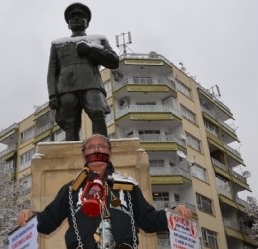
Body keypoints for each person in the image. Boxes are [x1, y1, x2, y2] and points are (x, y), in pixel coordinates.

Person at [18, 134, 192, 249]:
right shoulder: (71, 189)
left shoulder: (128, 185)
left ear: (109, 152)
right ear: (83, 154)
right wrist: (31, 216)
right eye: (91, 147)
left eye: (102, 146)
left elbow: (148, 219)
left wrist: (172, 214)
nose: (97, 149)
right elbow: (49, 220)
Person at [47, 3, 119, 141]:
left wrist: (91, 50)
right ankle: (71, 154)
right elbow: (52, 72)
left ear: (87, 22)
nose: (76, 19)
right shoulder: (57, 44)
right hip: (66, 89)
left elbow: (114, 61)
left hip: (92, 84)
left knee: (98, 113)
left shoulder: (98, 40)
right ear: (68, 24)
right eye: (72, 17)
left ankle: (101, 147)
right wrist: (52, 94)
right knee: (70, 123)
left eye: (80, 16)